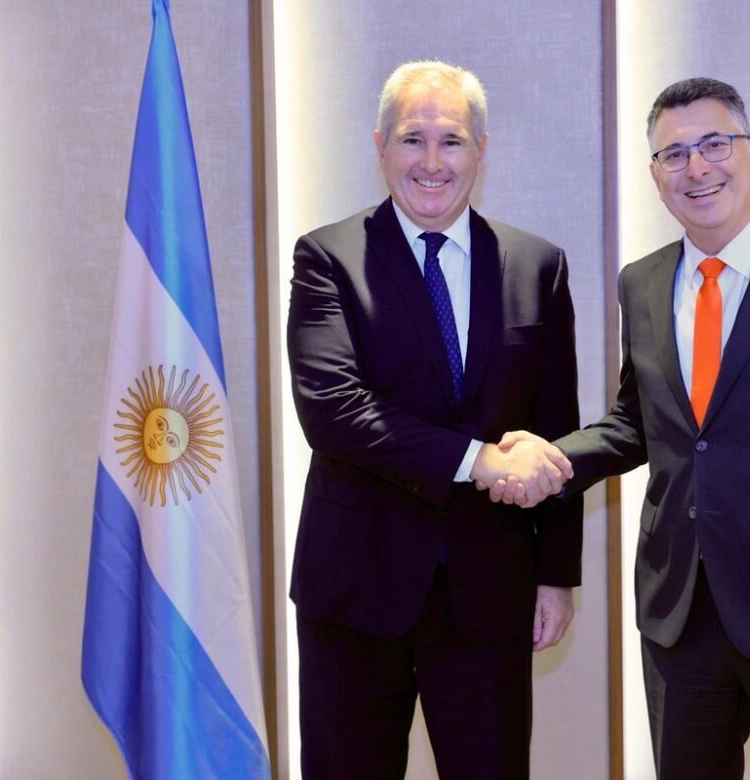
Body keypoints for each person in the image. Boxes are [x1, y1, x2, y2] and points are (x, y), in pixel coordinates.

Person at [487, 77, 750, 778]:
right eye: (673, 154)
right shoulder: (643, 282)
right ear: (656, 178)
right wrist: (551, 456)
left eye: (714, 144)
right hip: (679, 616)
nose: (697, 168)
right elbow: (640, 423)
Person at [286, 60, 583, 780]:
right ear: (380, 145)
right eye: (412, 139)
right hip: (354, 589)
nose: (431, 161)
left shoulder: (536, 265)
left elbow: (556, 428)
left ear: (481, 150)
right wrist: (477, 459)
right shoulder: (327, 258)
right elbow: (333, 410)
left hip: (489, 591)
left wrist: (556, 574)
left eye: (450, 141)